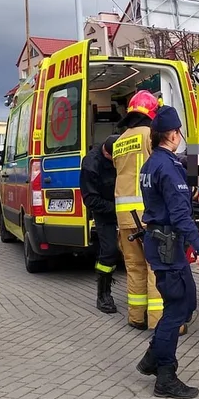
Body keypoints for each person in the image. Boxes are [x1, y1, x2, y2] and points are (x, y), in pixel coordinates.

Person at [135, 105, 199, 399]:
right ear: (171, 134)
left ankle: (153, 358)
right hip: (168, 244)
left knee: (186, 303)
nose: (180, 137)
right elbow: (180, 214)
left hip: (160, 242)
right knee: (177, 309)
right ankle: (165, 375)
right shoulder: (167, 167)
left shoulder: (153, 163)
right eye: (179, 132)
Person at [113, 91, 165, 331]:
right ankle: (158, 320)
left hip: (124, 215)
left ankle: (136, 316)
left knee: (134, 267)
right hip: (147, 213)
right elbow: (161, 166)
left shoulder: (120, 140)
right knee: (156, 266)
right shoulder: (149, 135)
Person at [81, 134, 120, 314]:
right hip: (105, 211)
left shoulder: (122, 152)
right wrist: (115, 208)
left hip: (128, 208)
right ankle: (103, 295)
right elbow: (90, 200)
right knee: (109, 251)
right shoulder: (91, 164)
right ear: (106, 153)